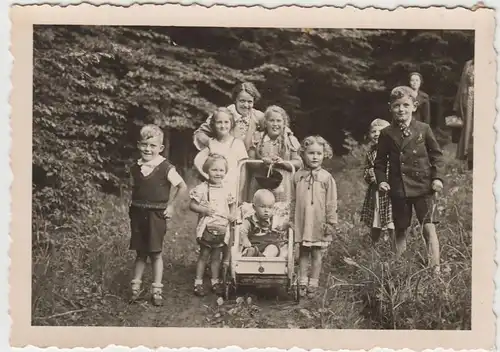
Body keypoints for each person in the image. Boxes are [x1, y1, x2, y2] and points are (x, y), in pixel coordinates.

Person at [374, 86, 444, 273]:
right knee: (400, 229)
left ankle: (435, 269)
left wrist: (437, 178)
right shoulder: (386, 133)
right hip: (399, 189)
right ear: (390, 108)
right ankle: (400, 269)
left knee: (429, 228)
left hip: (424, 188)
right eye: (397, 106)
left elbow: (436, 155)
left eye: (406, 105)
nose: (401, 109)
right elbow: (379, 162)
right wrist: (382, 180)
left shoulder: (424, 129)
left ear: (414, 106)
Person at [128, 124, 187, 306]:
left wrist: (171, 206)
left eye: (153, 146)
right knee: (140, 252)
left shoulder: (165, 167)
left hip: (156, 215)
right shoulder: (135, 168)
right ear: (139, 145)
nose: (148, 149)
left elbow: (182, 187)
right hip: (138, 213)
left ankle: (157, 289)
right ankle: (135, 289)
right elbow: (135, 189)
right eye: (145, 144)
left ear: (160, 148)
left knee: (155, 252)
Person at [291, 135, 337, 298]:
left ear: (324, 154)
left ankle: (313, 282)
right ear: (303, 154)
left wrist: (331, 222)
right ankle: (302, 281)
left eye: (319, 153)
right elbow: (293, 199)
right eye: (311, 153)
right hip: (303, 221)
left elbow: (331, 202)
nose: (315, 157)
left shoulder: (326, 177)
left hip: (319, 221)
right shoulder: (297, 176)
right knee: (303, 252)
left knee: (317, 253)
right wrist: (291, 219)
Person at [189, 154, 237, 297]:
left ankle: (215, 281)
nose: (218, 173)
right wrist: (204, 210)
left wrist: (232, 214)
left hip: (222, 226)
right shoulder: (203, 188)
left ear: (225, 171)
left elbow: (232, 204)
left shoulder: (227, 188)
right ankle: (198, 282)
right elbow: (192, 204)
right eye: (214, 170)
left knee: (217, 256)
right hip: (208, 227)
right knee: (204, 255)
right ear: (207, 171)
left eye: (221, 170)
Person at [248, 105, 302, 203]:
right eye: (271, 120)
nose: (275, 124)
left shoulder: (290, 140)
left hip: (283, 184)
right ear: (265, 122)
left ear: (284, 123)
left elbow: (298, 163)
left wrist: (283, 163)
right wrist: (262, 162)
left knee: (280, 212)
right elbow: (249, 162)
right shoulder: (257, 138)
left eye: (278, 121)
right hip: (260, 182)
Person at [193, 107, 248, 199]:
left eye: (226, 122)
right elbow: (198, 161)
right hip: (212, 191)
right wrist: (207, 177)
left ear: (232, 124)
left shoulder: (237, 143)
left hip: (231, 191)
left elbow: (242, 170)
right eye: (219, 122)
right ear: (213, 124)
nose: (223, 126)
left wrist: (239, 193)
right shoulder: (211, 143)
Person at [193, 82, 265, 152]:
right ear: (235, 100)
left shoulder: (258, 116)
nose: (246, 105)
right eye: (242, 101)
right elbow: (200, 134)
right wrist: (213, 145)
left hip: (250, 162)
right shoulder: (223, 114)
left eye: (249, 102)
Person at [360, 118, 394, 243]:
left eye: (381, 131)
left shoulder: (392, 150)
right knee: (376, 219)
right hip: (376, 191)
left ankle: (395, 249)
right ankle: (374, 247)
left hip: (390, 190)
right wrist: (370, 176)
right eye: (373, 131)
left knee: (391, 221)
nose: (376, 134)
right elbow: (367, 169)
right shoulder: (370, 152)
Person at [240, 189, 288, 258]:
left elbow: (281, 228)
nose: (266, 210)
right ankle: (253, 254)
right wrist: (245, 240)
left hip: (269, 245)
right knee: (247, 251)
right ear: (254, 207)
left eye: (270, 207)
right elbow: (243, 230)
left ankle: (262, 257)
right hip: (253, 246)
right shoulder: (249, 221)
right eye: (262, 207)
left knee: (273, 248)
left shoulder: (274, 220)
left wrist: (286, 225)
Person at [453, 59, 474, 170]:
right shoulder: (468, 64)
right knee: (468, 130)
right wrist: (458, 104)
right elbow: (462, 84)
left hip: (485, 98)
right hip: (469, 100)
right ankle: (468, 158)